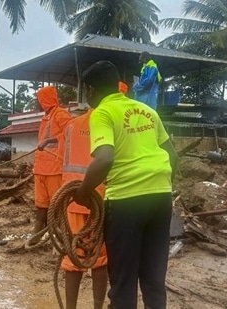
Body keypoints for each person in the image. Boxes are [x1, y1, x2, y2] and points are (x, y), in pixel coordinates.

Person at [74, 60, 178, 309]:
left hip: (126, 202)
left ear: (90, 90)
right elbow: (172, 156)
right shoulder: (147, 111)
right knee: (153, 278)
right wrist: (157, 185)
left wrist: (82, 192)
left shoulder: (103, 113)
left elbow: (105, 158)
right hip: (161, 198)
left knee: (123, 280)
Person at [39, 108, 108, 309]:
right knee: (100, 259)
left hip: (73, 201)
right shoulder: (110, 121)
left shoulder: (71, 125)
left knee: (72, 257)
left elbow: (62, 159)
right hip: (101, 200)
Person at [31, 85, 73, 242]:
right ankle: (37, 233)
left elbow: (70, 133)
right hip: (41, 168)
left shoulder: (61, 114)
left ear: (45, 100)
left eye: (39, 99)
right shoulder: (46, 117)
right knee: (41, 203)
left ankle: (60, 236)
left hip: (54, 168)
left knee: (57, 204)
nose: (37, 102)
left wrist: (49, 140)